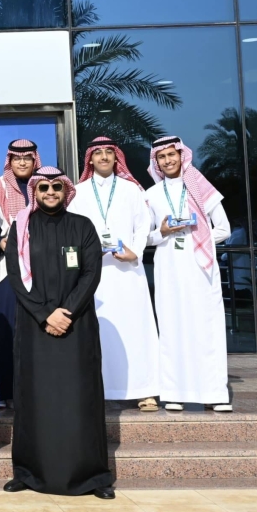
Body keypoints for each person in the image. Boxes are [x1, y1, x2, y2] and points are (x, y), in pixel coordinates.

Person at [3, 167, 114, 499]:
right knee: (34, 398)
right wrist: (44, 314)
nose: (50, 192)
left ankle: (92, 477)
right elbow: (16, 276)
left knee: (80, 398)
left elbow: (91, 272)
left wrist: (66, 312)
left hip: (76, 327)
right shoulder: (20, 228)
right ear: (34, 192)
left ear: (66, 190)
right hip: (34, 328)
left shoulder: (83, 226)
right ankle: (28, 473)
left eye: (56, 187)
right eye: (43, 187)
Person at [69, 138, 160, 411]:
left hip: (127, 271)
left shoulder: (131, 189)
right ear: (90, 159)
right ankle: (100, 390)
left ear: (116, 157)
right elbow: (71, 231)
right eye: (98, 153)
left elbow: (143, 226)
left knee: (136, 329)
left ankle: (144, 391)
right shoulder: (78, 192)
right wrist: (87, 255)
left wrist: (135, 251)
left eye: (109, 152)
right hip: (93, 274)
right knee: (98, 330)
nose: (104, 157)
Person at [145, 136, 233, 412]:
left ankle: (214, 394)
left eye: (172, 154)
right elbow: (144, 237)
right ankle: (174, 392)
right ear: (156, 161)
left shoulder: (200, 186)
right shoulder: (151, 194)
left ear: (182, 155)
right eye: (162, 157)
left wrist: (199, 238)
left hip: (200, 268)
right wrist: (162, 232)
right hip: (168, 268)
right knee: (172, 327)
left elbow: (224, 229)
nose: (168, 160)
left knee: (207, 327)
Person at [0, 139, 42, 406]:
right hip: (6, 268)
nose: (22, 162)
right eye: (17, 158)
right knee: (5, 329)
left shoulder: (45, 185)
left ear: (35, 160)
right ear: (9, 161)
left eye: (27, 158)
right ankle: (7, 392)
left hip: (40, 268)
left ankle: (37, 391)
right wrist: (0, 242)